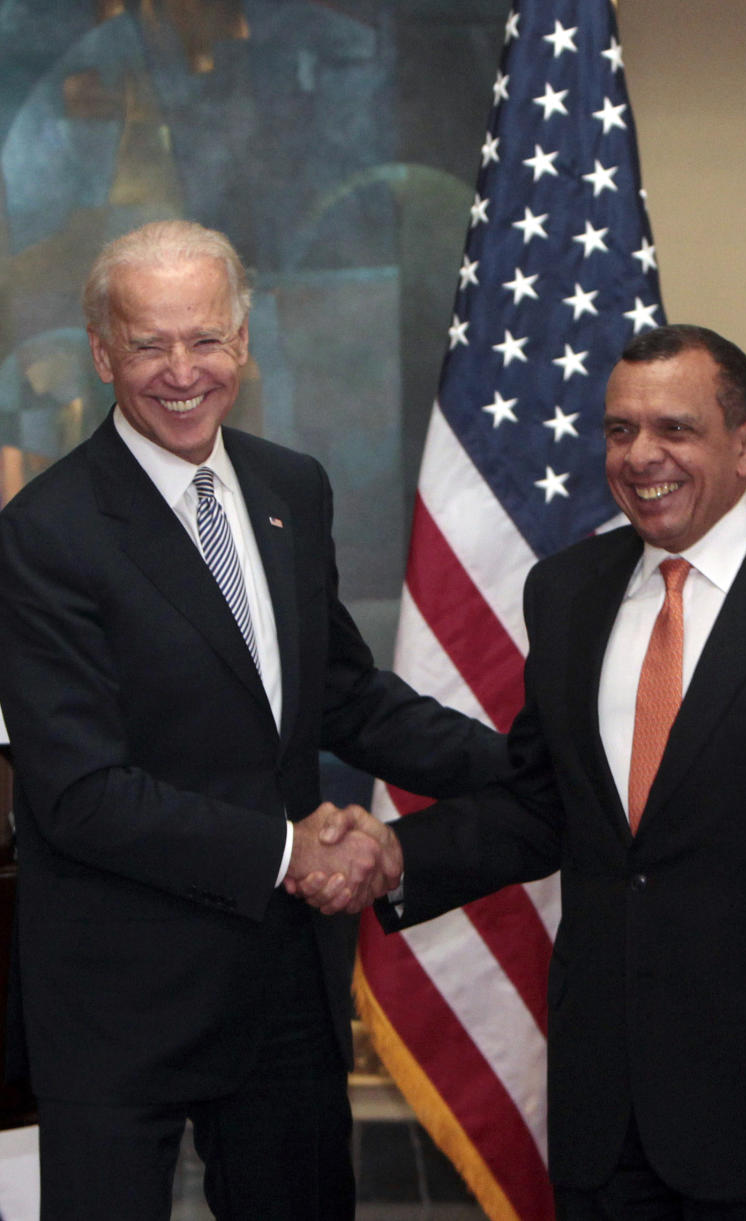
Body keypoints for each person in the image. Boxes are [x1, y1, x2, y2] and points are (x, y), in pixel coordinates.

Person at [310, 325, 746, 1220]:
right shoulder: (568, 591)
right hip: (607, 1120)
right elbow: (546, 803)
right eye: (619, 430)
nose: (642, 455)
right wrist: (393, 852)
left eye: (675, 429)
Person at [0, 219, 509, 1221]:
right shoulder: (44, 533)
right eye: (149, 344)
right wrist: (289, 851)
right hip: (120, 1000)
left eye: (206, 340)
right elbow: (80, 794)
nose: (181, 371)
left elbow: (341, 696)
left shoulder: (290, 488)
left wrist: (527, 763)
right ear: (103, 353)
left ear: (244, 344)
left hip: (280, 985)